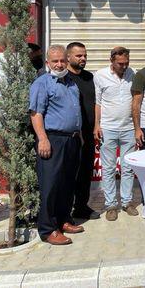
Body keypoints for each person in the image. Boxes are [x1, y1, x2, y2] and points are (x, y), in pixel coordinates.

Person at [29, 45, 84, 245]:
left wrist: (79, 135)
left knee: (67, 184)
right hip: (53, 139)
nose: (59, 64)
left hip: (72, 140)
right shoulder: (42, 83)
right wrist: (42, 138)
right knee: (50, 185)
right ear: (47, 63)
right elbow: (36, 113)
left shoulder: (71, 83)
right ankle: (47, 229)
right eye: (55, 61)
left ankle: (63, 220)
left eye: (62, 60)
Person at [94, 47, 138, 221]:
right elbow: (97, 102)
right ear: (111, 60)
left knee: (127, 168)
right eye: (120, 63)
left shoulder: (132, 74)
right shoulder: (100, 75)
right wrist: (96, 125)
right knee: (109, 168)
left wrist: (136, 127)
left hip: (128, 128)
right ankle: (111, 204)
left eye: (126, 63)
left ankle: (127, 202)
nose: (124, 66)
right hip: (108, 129)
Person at [66, 42, 100, 220]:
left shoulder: (89, 77)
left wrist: (96, 126)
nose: (83, 59)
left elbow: (95, 103)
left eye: (85, 55)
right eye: (79, 56)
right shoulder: (64, 77)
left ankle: (81, 207)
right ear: (68, 56)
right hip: (71, 135)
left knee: (86, 172)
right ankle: (65, 210)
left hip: (88, 133)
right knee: (70, 173)